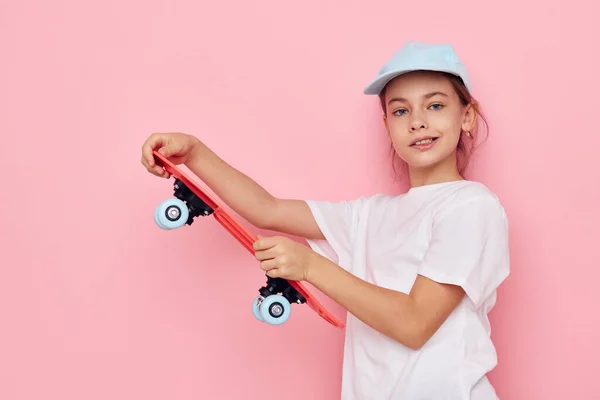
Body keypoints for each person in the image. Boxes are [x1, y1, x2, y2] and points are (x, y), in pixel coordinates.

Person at [140, 41, 510, 399]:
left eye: (435, 105)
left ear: (467, 116)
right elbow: (266, 209)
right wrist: (195, 153)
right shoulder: (369, 215)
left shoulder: (470, 207)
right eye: (400, 111)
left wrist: (311, 267)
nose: (417, 122)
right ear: (387, 126)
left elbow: (414, 324)